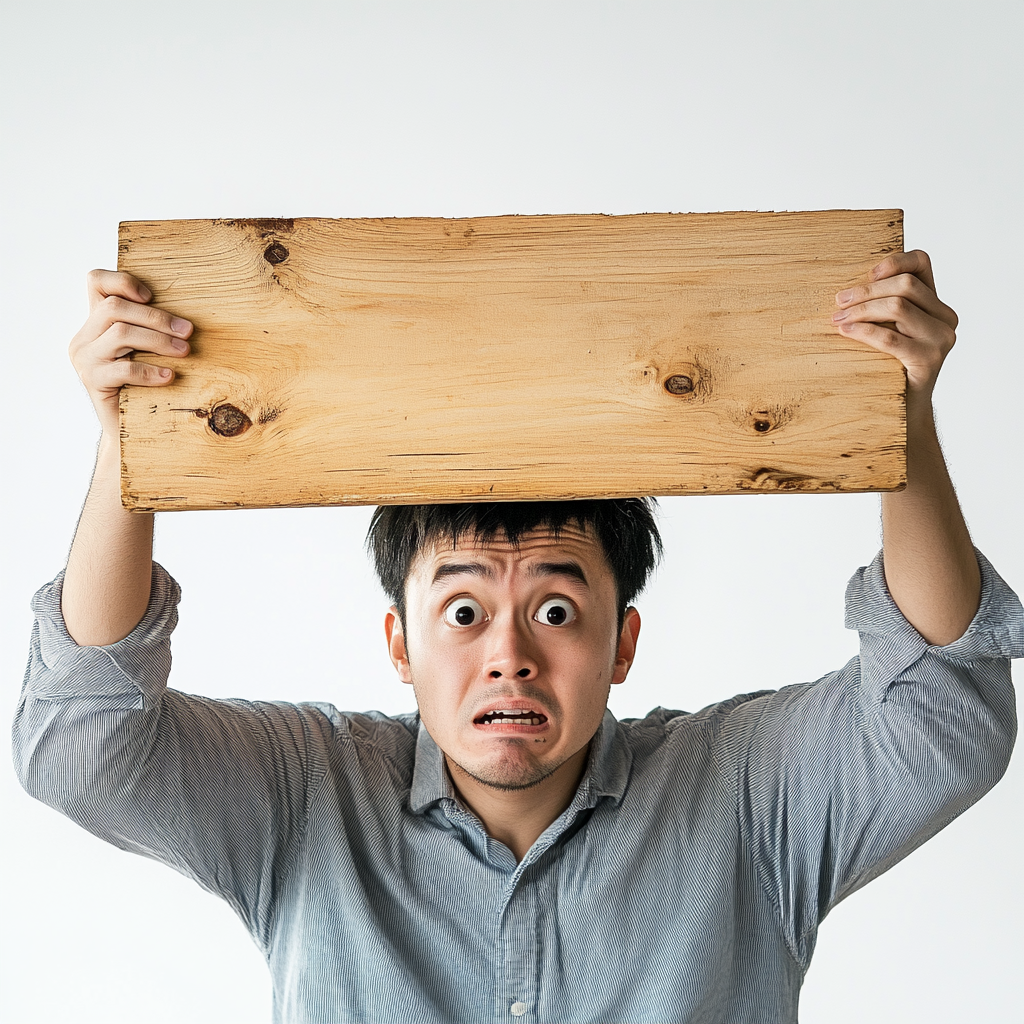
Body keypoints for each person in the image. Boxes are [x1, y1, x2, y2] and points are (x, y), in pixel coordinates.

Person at [14, 251, 1022, 1023]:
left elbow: (937, 717)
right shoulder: (306, 795)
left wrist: (903, 417)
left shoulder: (745, 797)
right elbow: (85, 750)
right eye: (461, 612)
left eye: (554, 609)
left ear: (622, 643)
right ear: (398, 645)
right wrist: (125, 443)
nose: (509, 655)